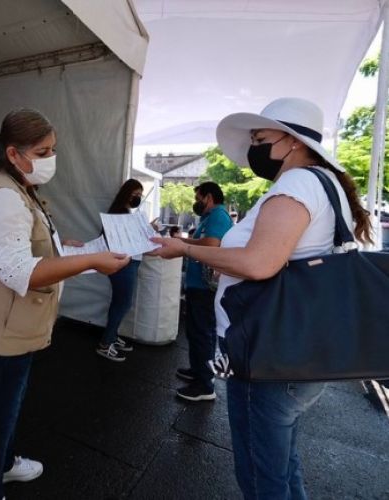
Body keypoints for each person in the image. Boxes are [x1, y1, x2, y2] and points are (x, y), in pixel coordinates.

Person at [149, 97, 372, 499]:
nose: (256, 148)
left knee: (260, 477)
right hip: (299, 352)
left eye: (262, 138)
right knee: (282, 467)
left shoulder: (299, 183)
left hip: (271, 355)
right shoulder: (324, 183)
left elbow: (260, 263)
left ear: (293, 142)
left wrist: (186, 249)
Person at [0, 108, 130, 500]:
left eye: (53, 149)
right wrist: (91, 261)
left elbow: (29, 249)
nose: (51, 158)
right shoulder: (2, 197)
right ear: (14, 154)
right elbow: (20, 272)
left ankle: (3, 465)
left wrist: (72, 251)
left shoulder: (16, 187)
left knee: (4, 409)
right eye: (43, 150)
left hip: (5, 325)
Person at [174, 182, 233, 401]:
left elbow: (211, 244)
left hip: (204, 287)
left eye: (198, 198)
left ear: (209, 197)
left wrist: (181, 243)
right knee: (197, 331)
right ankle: (199, 370)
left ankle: (205, 385)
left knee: (202, 333)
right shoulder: (210, 217)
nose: (196, 202)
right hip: (198, 285)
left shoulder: (218, 216)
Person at [96, 179, 144, 362]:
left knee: (120, 302)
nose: (138, 198)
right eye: (135, 194)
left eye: (140, 195)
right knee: (122, 303)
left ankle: (112, 337)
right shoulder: (119, 213)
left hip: (127, 263)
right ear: (126, 193)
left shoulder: (122, 212)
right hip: (123, 264)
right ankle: (105, 343)